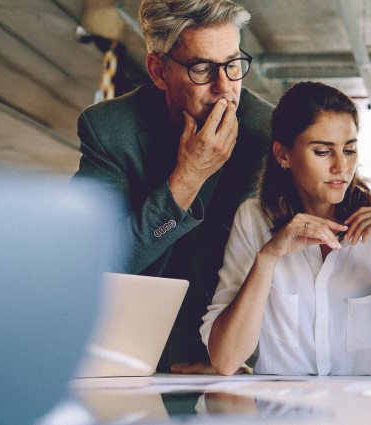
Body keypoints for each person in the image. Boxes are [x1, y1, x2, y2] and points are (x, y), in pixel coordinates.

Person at [199, 82, 371, 376]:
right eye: (323, 152)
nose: (342, 167)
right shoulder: (253, 220)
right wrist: (269, 257)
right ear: (283, 154)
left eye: (349, 150)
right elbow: (225, 360)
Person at [72, 0, 273, 374]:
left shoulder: (268, 133)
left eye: (232, 65)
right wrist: (187, 179)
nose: (225, 87)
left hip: (226, 356)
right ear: (158, 70)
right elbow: (95, 260)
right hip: (123, 350)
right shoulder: (110, 130)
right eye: (202, 69)